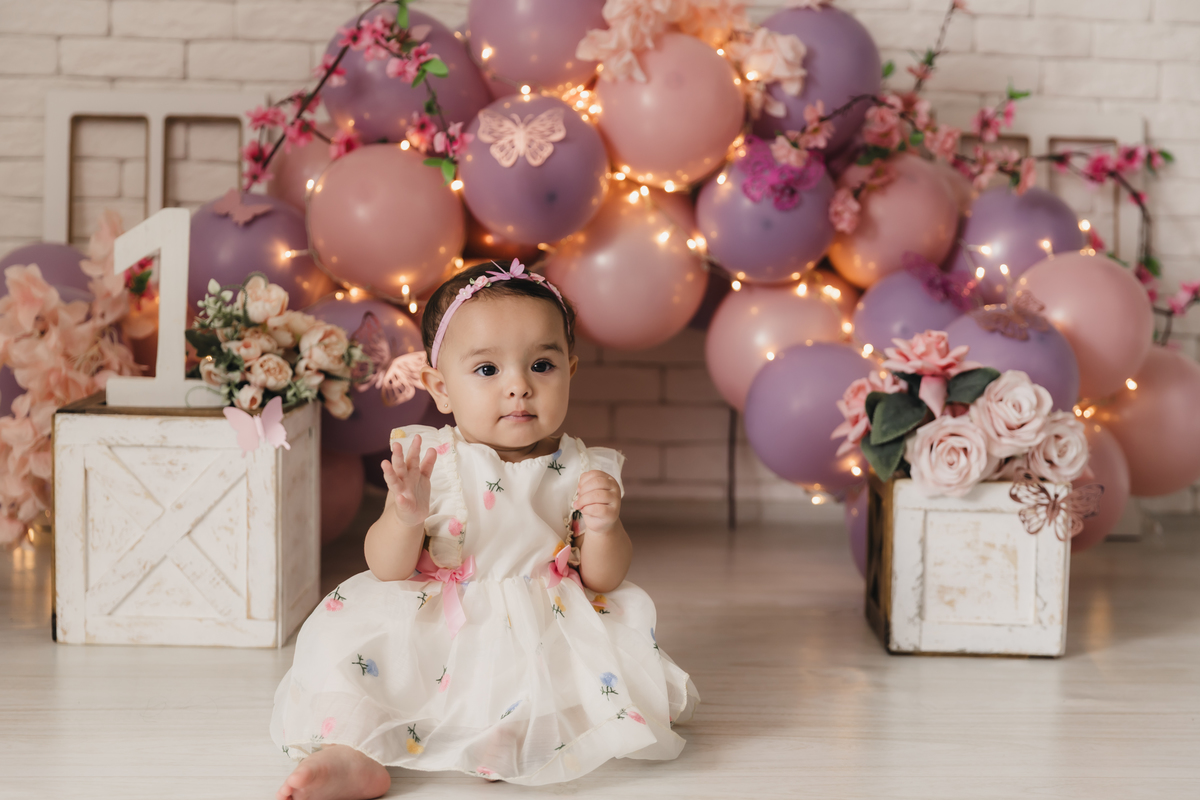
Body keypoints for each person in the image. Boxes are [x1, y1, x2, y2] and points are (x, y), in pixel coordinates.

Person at [273, 260, 699, 799]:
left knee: (555, 678)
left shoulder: (582, 467)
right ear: (441, 388)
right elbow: (386, 568)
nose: (519, 386)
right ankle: (349, 754)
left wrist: (604, 527)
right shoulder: (432, 461)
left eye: (541, 365)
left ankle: (512, 737)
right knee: (356, 660)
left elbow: (604, 579)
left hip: (542, 622)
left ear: (570, 370)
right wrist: (404, 517)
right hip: (438, 623)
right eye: (487, 369)